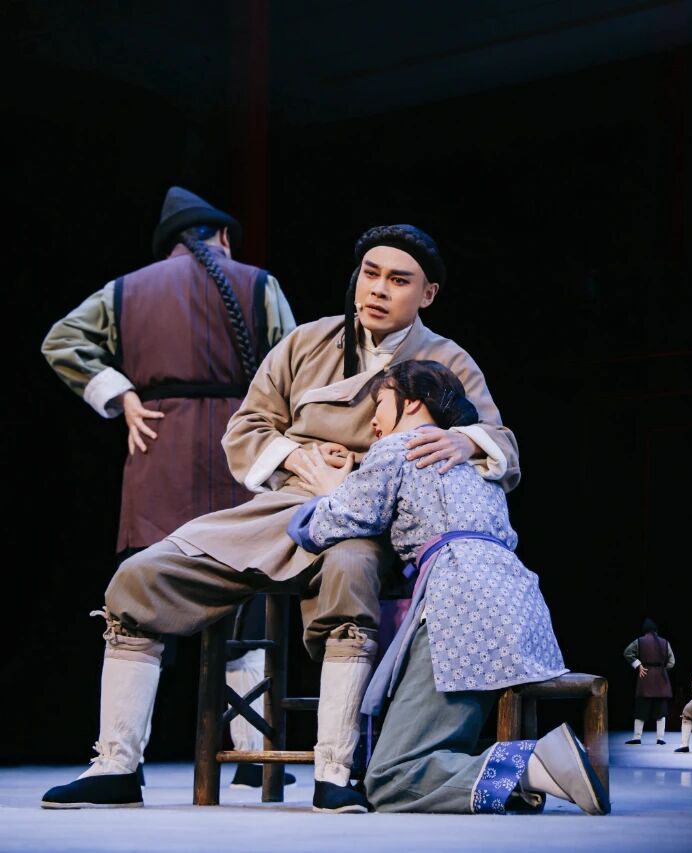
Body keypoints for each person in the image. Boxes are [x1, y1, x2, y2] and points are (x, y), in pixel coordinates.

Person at [41, 224, 519, 814]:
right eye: (370, 274)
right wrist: (300, 458)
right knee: (141, 575)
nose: (378, 289)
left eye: (398, 280)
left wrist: (464, 442)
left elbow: (500, 441)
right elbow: (246, 427)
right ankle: (116, 764)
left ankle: (334, 771)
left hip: (370, 522)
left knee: (350, 571)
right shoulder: (305, 343)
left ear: (428, 294)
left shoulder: (448, 359)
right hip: (284, 506)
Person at [41, 186, 297, 789]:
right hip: (241, 457)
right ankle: (254, 756)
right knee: (246, 605)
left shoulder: (126, 289)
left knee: (139, 605)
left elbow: (60, 341)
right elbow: (295, 367)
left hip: (159, 450)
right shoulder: (258, 284)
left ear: (170, 244)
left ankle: (118, 761)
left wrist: (121, 394)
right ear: (222, 236)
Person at [287, 359, 606, 815]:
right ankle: (524, 778)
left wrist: (325, 492)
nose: (373, 421)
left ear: (412, 402)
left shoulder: (396, 449)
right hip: (519, 602)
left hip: (461, 605)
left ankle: (533, 765)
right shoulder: (477, 462)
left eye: (380, 404)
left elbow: (336, 522)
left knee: (391, 776)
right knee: (423, 751)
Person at [623, 619, 675, 745]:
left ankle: (637, 737)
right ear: (656, 630)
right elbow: (672, 662)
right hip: (661, 679)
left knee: (641, 708)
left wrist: (638, 665)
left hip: (645, 676)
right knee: (661, 710)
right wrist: (662, 670)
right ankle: (660, 738)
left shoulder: (639, 641)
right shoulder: (665, 642)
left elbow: (627, 652)